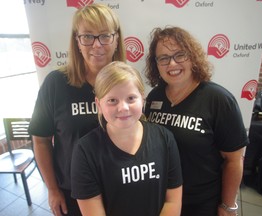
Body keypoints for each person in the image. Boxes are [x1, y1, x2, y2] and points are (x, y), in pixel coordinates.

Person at [28, 4, 126, 216]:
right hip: (72, 193)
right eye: (87, 37)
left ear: (116, 39)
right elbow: (41, 140)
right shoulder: (56, 83)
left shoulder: (126, 82)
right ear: (77, 41)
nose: (97, 45)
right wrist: (53, 189)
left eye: (105, 36)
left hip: (119, 188)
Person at [144, 26, 249, 216]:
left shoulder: (218, 99)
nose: (172, 63)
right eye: (163, 58)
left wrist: (228, 206)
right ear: (156, 64)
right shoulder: (153, 97)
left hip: (201, 204)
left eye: (180, 54)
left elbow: (233, 160)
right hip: (160, 200)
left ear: (192, 56)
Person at [70, 61, 183, 216]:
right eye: (112, 100)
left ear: (142, 99)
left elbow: (173, 201)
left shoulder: (165, 138)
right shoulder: (85, 151)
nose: (123, 107)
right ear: (99, 104)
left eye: (131, 98)